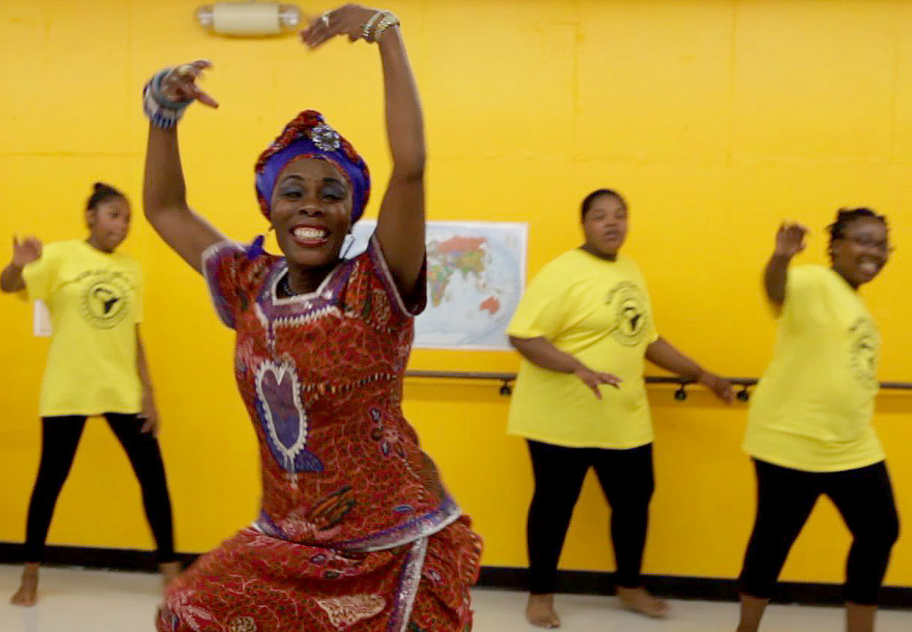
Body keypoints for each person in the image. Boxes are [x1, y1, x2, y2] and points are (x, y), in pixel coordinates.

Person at [140, 5, 481, 631]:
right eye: (293, 190)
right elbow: (164, 208)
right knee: (187, 608)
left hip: (392, 541)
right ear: (269, 206)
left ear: (353, 213)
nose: (313, 206)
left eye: (333, 194)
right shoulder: (248, 284)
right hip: (290, 541)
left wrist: (384, 31)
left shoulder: (376, 286)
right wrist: (163, 114)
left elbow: (411, 166)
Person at [506, 188, 734, 627]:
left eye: (619, 215)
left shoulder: (630, 270)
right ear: (584, 225)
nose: (612, 223)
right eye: (599, 216)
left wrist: (703, 375)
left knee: (633, 504)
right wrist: (576, 367)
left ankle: (629, 586)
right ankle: (540, 595)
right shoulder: (563, 273)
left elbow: (647, 339)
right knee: (554, 507)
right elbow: (524, 336)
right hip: (561, 419)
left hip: (623, 417)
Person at [0, 182, 179, 606]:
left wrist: (149, 395)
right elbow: (9, 286)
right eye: (114, 214)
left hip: (121, 389)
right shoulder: (59, 256)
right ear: (91, 217)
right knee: (50, 482)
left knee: (153, 479)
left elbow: (134, 334)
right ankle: (29, 576)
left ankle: (172, 574)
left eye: (127, 217)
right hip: (69, 386)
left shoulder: (132, 268)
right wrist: (17, 264)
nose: (123, 224)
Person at [736, 210, 899, 632]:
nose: (874, 252)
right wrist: (781, 258)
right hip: (793, 440)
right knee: (773, 539)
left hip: (851, 443)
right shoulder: (813, 281)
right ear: (836, 245)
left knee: (881, 531)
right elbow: (776, 290)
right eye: (863, 241)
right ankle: (746, 628)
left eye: (882, 245)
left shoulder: (853, 299)